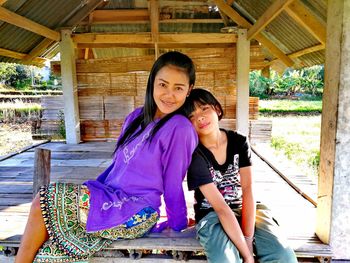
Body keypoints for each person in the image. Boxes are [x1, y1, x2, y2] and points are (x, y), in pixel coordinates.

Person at [15, 51, 198, 263]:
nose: (169, 94)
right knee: (48, 253)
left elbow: (173, 182)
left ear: (189, 91)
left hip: (137, 212)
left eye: (178, 88)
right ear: (152, 83)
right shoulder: (135, 117)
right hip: (109, 198)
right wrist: (88, 192)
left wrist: (178, 225)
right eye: (163, 84)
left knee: (43, 201)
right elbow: (117, 167)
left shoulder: (180, 128)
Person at [183, 88, 298, 263]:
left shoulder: (239, 142)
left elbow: (248, 189)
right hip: (212, 215)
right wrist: (247, 256)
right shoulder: (194, 154)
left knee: (283, 256)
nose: (199, 117)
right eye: (192, 116)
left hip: (244, 208)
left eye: (204, 108)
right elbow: (221, 208)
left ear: (217, 109)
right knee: (226, 260)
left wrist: (248, 240)